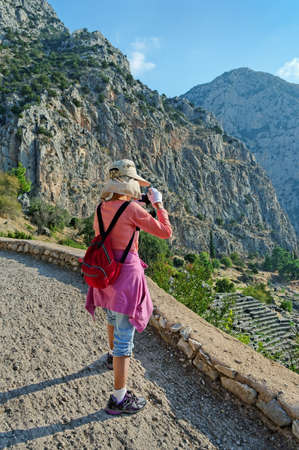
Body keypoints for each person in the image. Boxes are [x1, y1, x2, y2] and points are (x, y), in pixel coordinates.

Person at [85, 159, 172, 415]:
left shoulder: (101, 208)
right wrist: (158, 204)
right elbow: (165, 232)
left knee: (112, 317)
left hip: (107, 274)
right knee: (126, 338)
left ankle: (112, 357)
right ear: (131, 185)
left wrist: (140, 203)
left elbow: (114, 222)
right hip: (126, 276)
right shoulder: (133, 210)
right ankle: (119, 398)